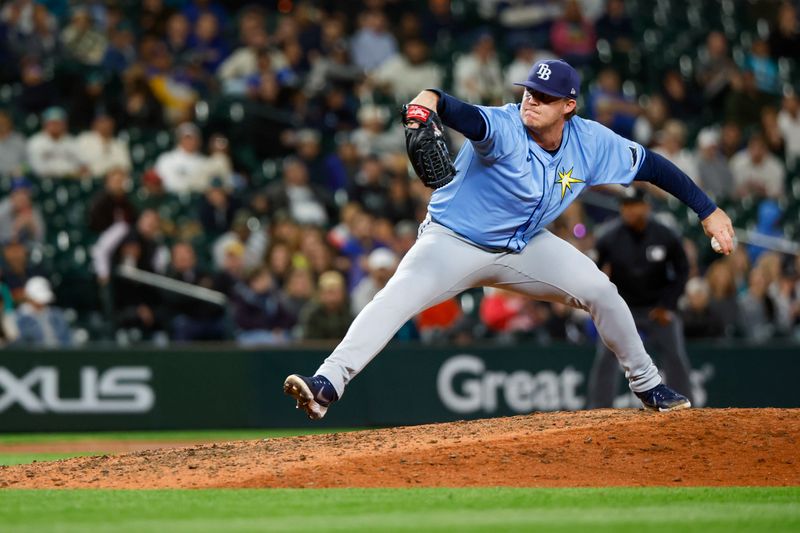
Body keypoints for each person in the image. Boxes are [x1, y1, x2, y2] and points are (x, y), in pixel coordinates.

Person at [284, 59, 735, 420]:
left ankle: (648, 385)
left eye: (544, 97)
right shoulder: (504, 126)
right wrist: (427, 102)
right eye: (528, 91)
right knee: (395, 299)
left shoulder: (592, 143)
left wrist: (708, 211)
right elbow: (456, 110)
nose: (531, 100)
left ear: (569, 107)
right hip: (453, 242)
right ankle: (327, 383)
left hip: (524, 246)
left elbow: (653, 166)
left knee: (601, 290)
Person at [587, 190, 693, 409]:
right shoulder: (610, 237)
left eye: (634, 205)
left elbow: (683, 270)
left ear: (647, 207)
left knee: (675, 355)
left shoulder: (665, 235)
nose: (629, 210)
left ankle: (685, 406)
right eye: (625, 205)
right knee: (605, 357)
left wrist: (667, 305)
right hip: (623, 308)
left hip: (657, 308)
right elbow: (593, 270)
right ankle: (598, 409)